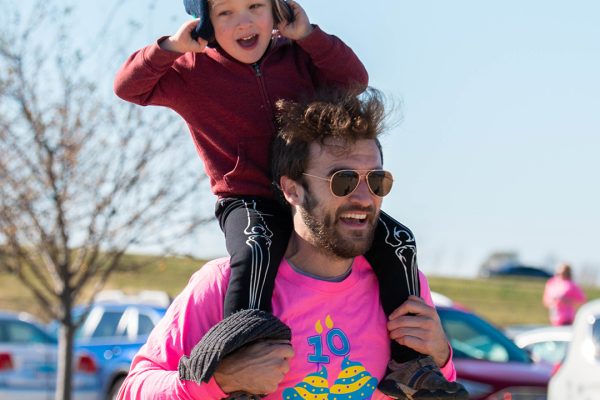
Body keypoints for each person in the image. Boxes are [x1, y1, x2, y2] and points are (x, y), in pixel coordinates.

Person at [114, 0, 459, 395]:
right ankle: (244, 339)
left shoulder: (296, 57)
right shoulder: (194, 71)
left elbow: (353, 78)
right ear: (205, 23)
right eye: (343, 180)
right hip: (247, 200)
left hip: (293, 191)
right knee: (257, 246)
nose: (244, 21)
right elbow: (129, 86)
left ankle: (408, 367)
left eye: (377, 180)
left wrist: (440, 358)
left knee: (399, 240)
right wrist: (219, 383)